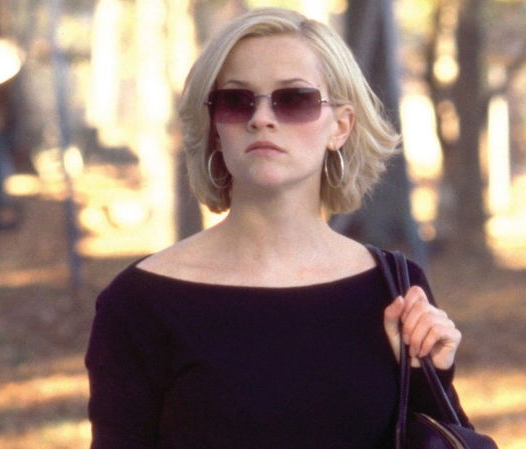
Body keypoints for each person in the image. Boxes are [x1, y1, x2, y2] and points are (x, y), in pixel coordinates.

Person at [85, 7, 471, 448]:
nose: (261, 118)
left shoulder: (395, 289)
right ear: (214, 128)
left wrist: (430, 375)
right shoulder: (139, 302)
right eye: (236, 100)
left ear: (340, 126)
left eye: (294, 99)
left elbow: (440, 437)